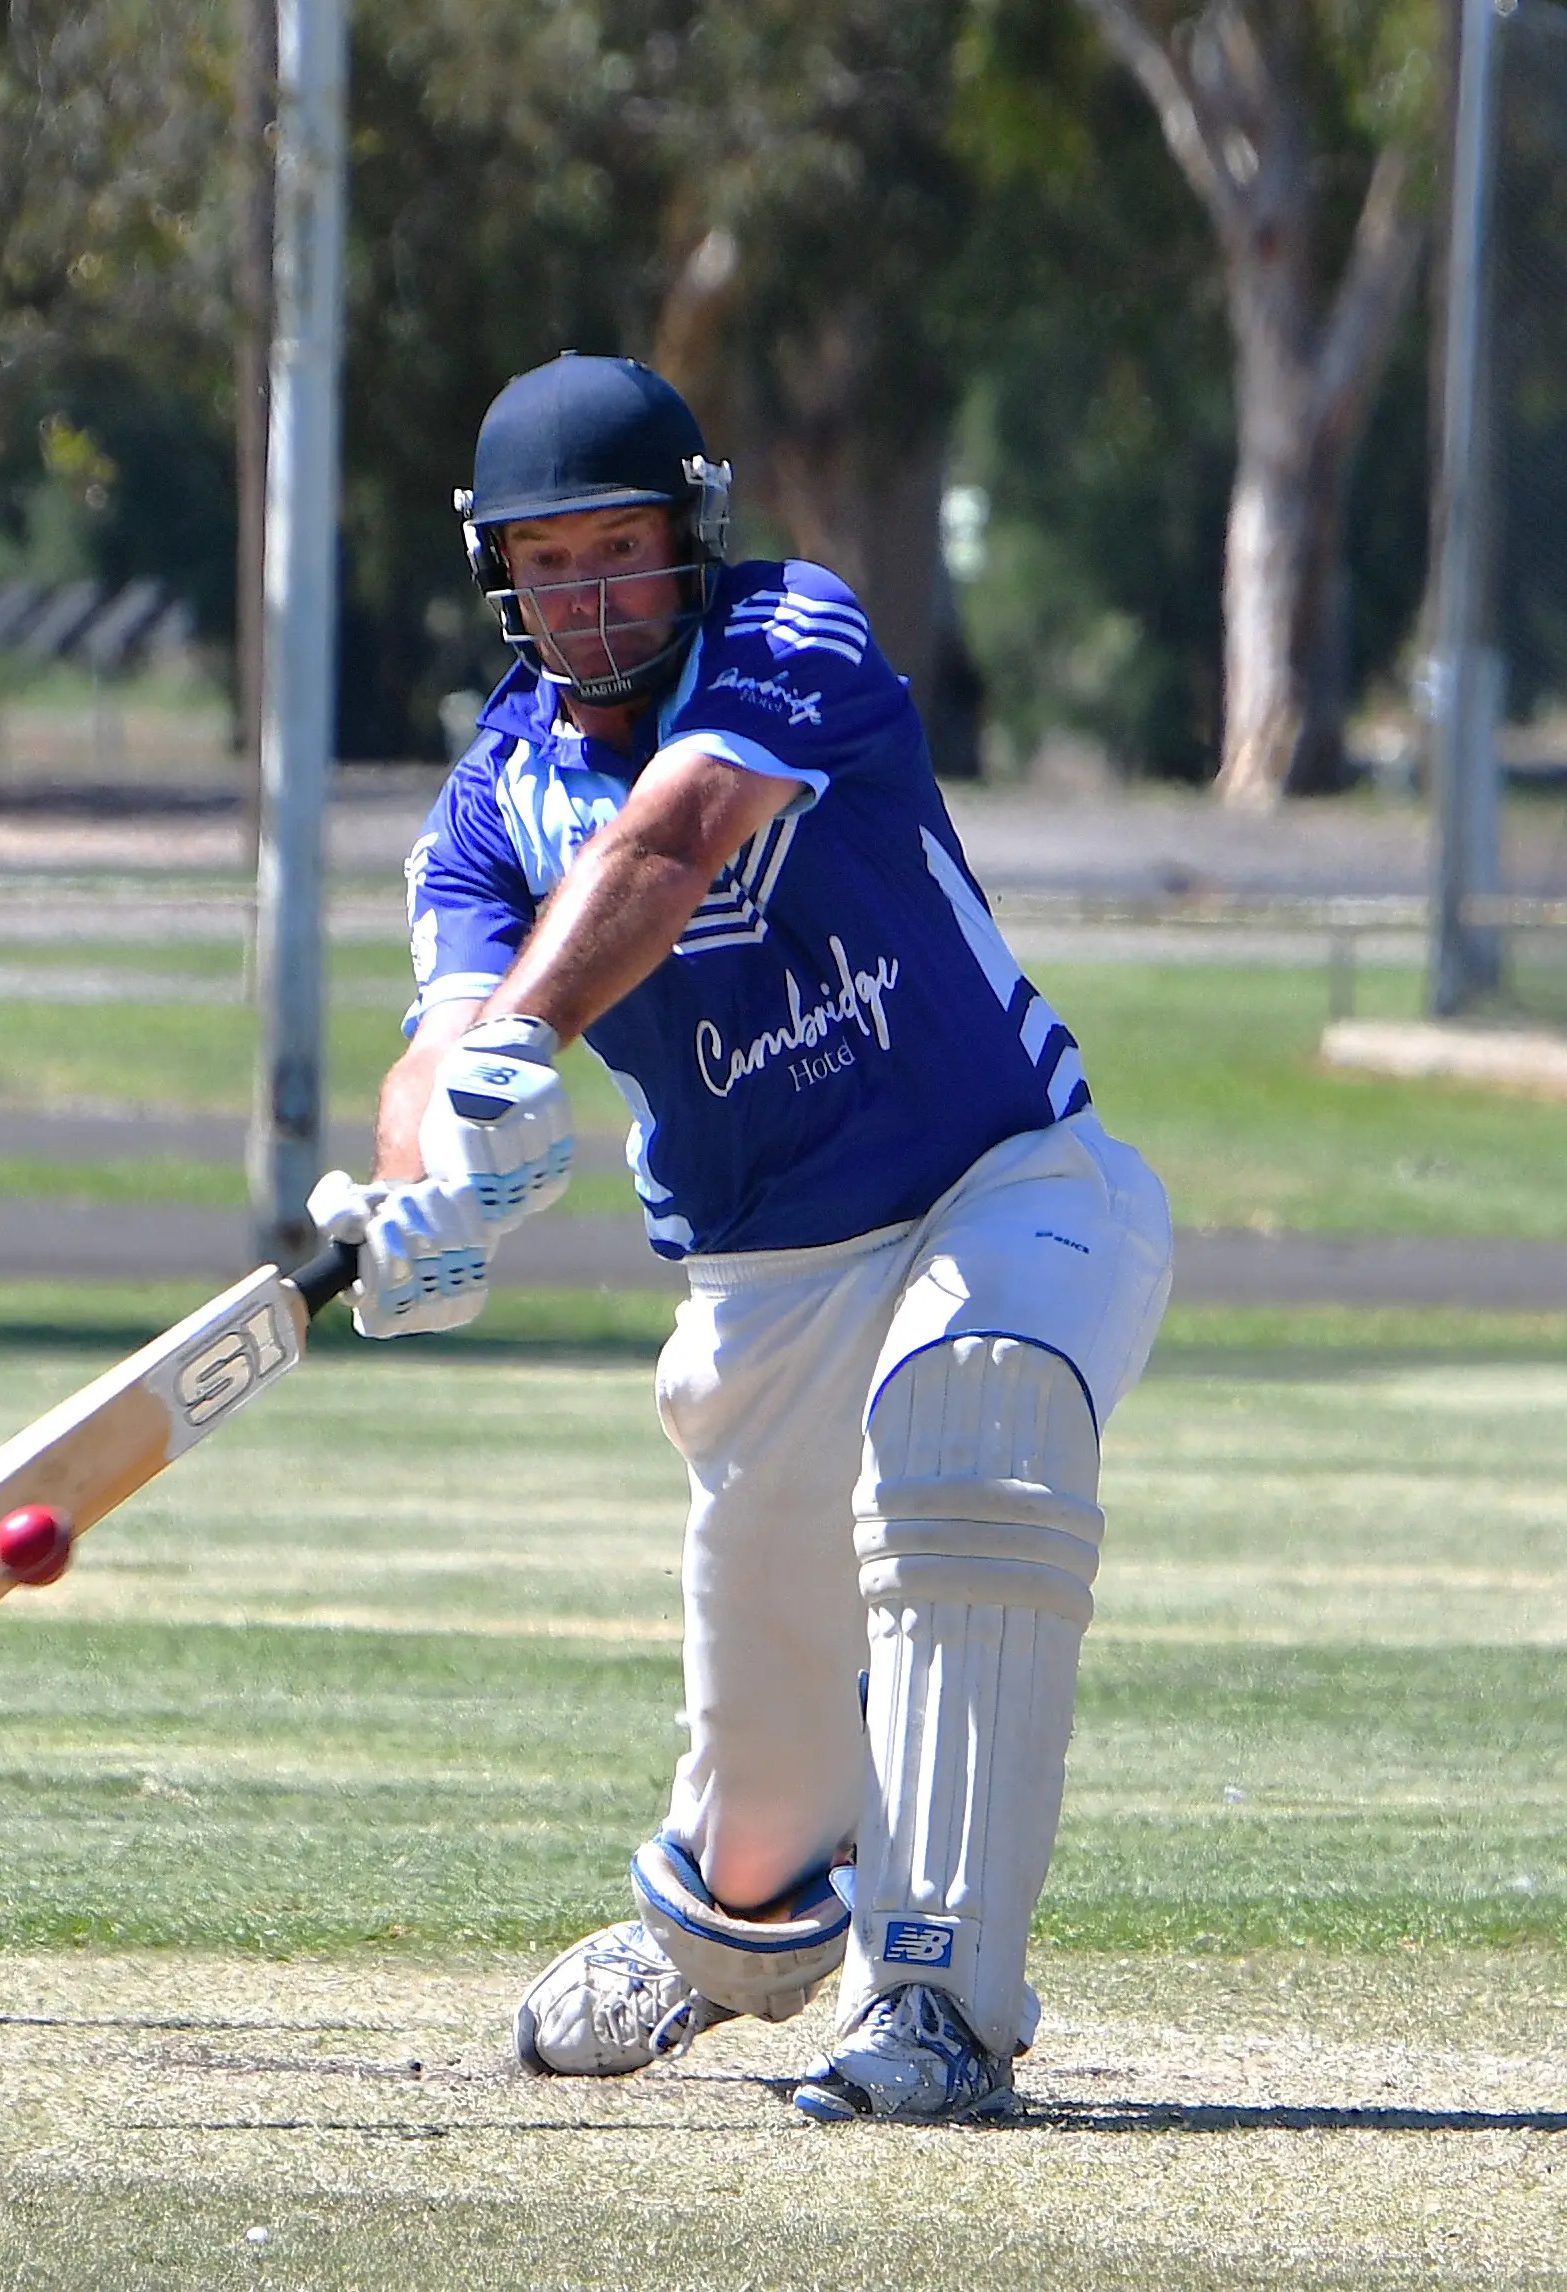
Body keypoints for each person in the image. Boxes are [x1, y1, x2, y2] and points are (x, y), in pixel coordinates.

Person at [306, 353, 1174, 2124]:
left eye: (616, 551)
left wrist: (516, 1051)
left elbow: (676, 837)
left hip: (1009, 1186)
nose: (585, 600)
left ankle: (935, 2009)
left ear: (689, 540)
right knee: (766, 1819)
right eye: (544, 566)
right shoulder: (483, 807)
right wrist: (422, 1185)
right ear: (499, 577)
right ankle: (729, 1935)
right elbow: (433, 1042)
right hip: (764, 1290)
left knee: (973, 1419)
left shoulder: (794, 633)